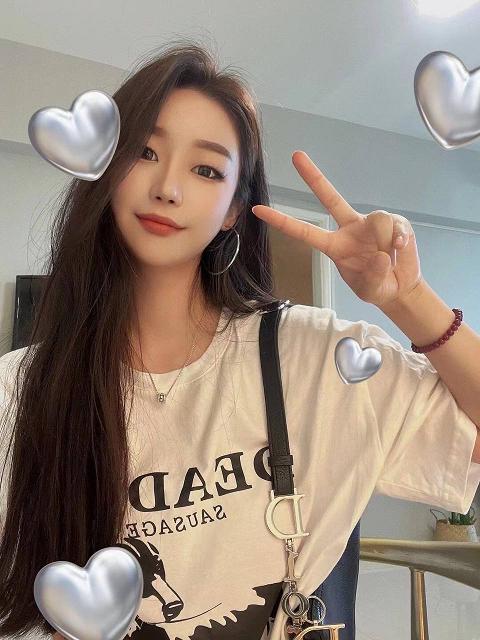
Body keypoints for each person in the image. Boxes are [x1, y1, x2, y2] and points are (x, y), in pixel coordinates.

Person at [0, 38, 479, 640]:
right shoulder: (21, 391)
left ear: (233, 209)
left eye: (206, 169)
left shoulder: (314, 357)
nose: (168, 188)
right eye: (144, 151)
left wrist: (406, 298)